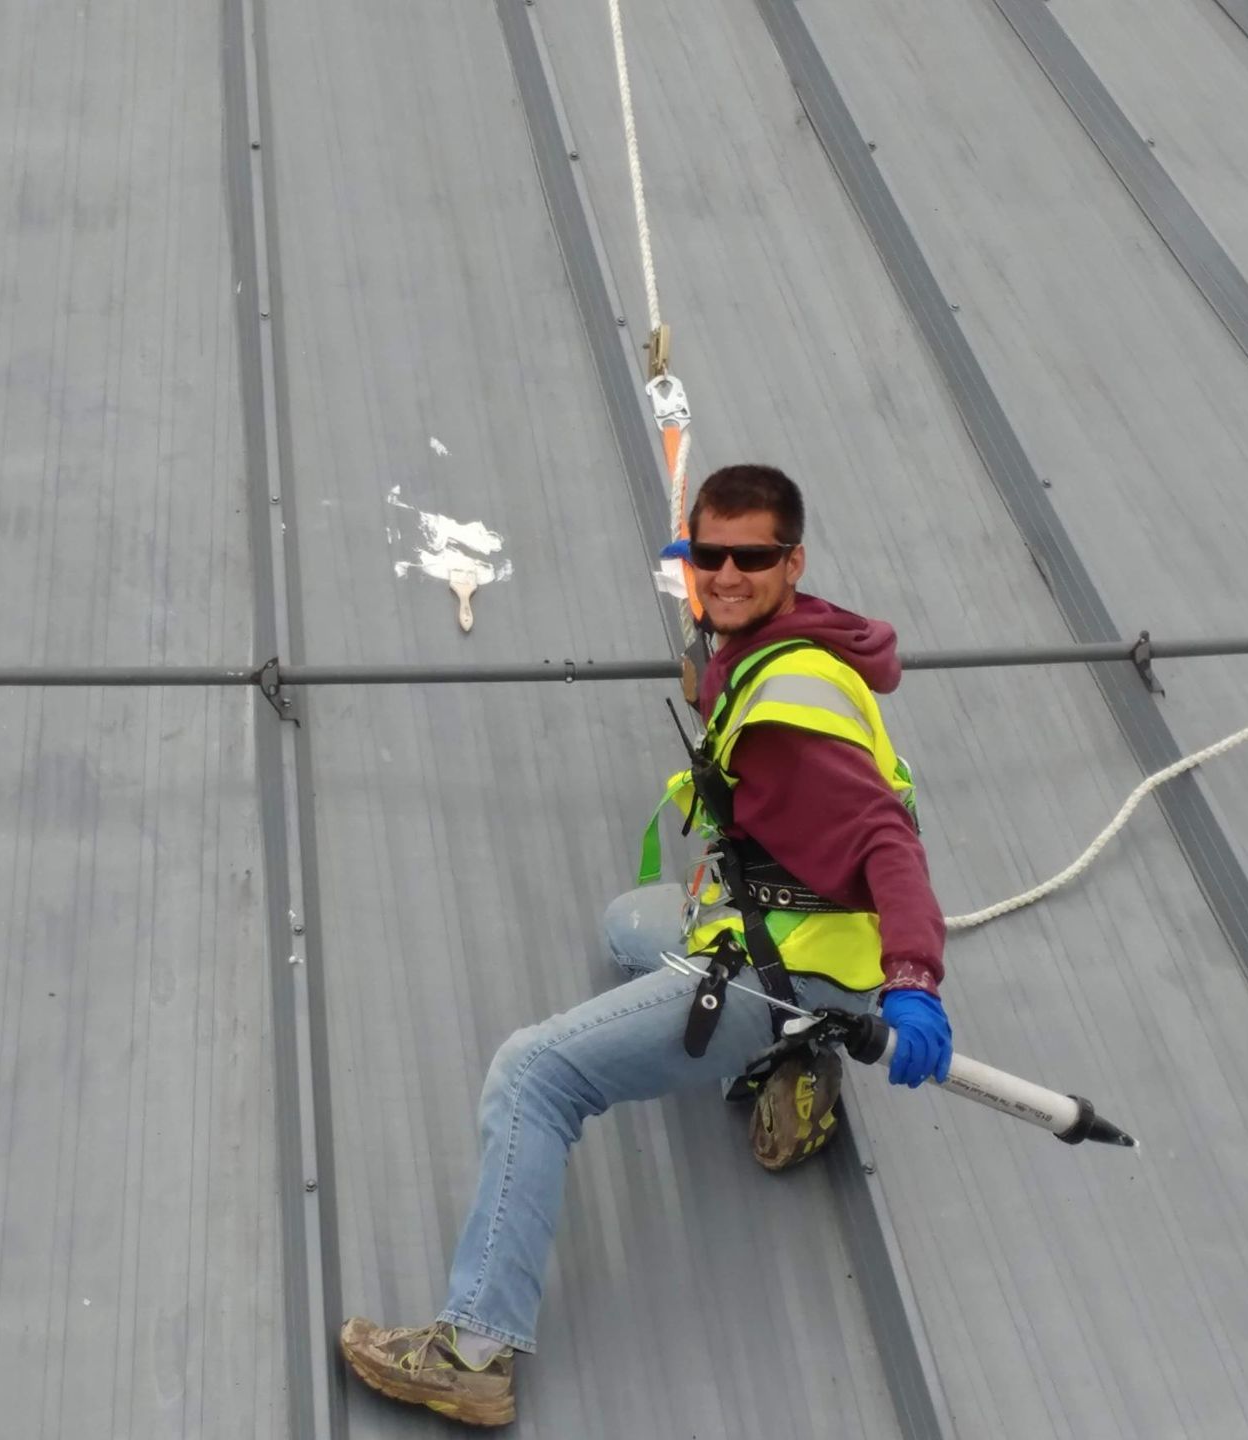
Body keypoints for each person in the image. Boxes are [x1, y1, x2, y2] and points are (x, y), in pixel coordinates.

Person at [338, 464, 952, 1428]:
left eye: (751, 557)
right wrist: (715, 659)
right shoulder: (785, 639)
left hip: (782, 966)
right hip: (787, 928)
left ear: (792, 560)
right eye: (709, 555)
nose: (727, 573)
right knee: (631, 925)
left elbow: (885, 841)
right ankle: (797, 1051)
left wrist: (915, 981)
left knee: (533, 1074)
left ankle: (475, 1349)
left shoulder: (792, 703)